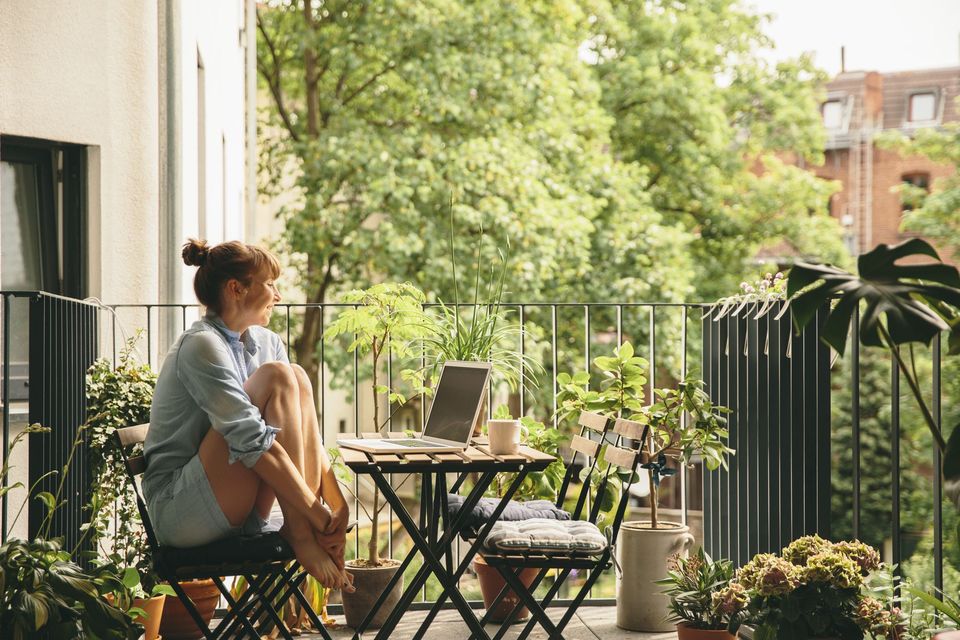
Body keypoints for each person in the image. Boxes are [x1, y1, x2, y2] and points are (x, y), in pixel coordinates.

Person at [143, 238, 353, 591]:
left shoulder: (267, 343)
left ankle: (302, 528)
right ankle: (299, 532)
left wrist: (336, 505)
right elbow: (253, 442)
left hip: (233, 499)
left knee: (296, 375)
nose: (278, 295)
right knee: (278, 376)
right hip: (181, 511)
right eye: (270, 284)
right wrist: (316, 519)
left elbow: (301, 434)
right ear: (236, 289)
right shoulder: (201, 345)